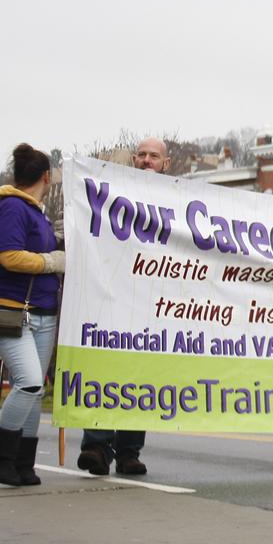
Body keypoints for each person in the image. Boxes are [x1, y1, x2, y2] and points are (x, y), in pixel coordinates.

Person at [77, 136, 171, 476]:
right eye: (142, 155)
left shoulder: (179, 201)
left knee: (140, 375)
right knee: (108, 369)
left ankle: (129, 451)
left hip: (152, 301)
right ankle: (96, 445)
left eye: (154, 156)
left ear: (166, 163)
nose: (147, 160)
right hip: (113, 295)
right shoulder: (113, 192)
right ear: (134, 160)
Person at [0, 144, 64, 486]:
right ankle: (0, 456)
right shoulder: (13, 209)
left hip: (41, 313)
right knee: (29, 384)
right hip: (12, 312)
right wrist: (51, 262)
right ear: (46, 177)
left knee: (28, 388)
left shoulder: (34, 213)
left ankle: (23, 462)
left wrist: (57, 244)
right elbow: (10, 256)